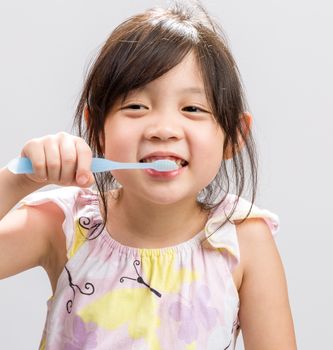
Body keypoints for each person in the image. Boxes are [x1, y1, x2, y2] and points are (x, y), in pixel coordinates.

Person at [0, 1, 296, 349]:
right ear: (97, 129)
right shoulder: (65, 225)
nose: (164, 129)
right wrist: (17, 180)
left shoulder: (243, 241)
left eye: (192, 109)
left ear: (233, 136)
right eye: (136, 106)